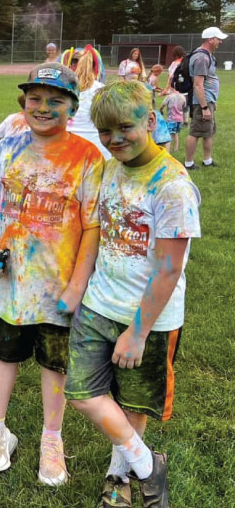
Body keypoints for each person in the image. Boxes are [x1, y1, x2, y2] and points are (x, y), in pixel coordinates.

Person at [66, 81, 201, 508]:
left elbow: (169, 267)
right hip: (98, 305)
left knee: (132, 404)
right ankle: (147, 465)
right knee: (82, 393)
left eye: (125, 127)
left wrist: (138, 333)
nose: (114, 139)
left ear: (151, 121)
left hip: (149, 319)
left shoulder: (172, 185)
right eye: (105, 131)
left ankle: (118, 477)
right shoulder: (109, 169)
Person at [0, 63, 104, 486]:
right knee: (4, 355)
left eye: (55, 101)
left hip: (58, 285)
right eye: (35, 99)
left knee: (55, 363)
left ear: (73, 107)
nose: (43, 107)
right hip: (11, 284)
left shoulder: (87, 157)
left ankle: (52, 438)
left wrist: (77, 285)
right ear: (23, 103)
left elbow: (92, 227)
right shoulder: (6, 149)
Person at [184, 26, 227, 169]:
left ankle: (207, 161)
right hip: (202, 102)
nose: (220, 42)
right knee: (195, 132)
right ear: (210, 39)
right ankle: (189, 163)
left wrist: (212, 102)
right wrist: (204, 107)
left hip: (208, 100)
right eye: (218, 39)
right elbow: (198, 84)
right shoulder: (201, 58)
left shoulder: (207, 55)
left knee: (208, 132)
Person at [68, 47, 110, 159]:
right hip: (98, 149)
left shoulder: (62, 88)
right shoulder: (102, 89)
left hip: (68, 150)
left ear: (71, 66)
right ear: (93, 67)